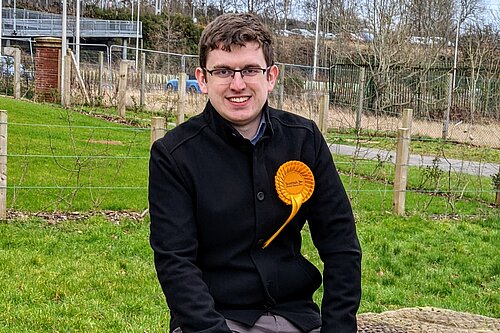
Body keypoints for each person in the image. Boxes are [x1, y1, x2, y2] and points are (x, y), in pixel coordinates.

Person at [149, 13, 361, 333]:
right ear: (202, 79)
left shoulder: (305, 140)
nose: (238, 84)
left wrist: (338, 328)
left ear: (271, 76)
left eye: (250, 70)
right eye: (222, 71)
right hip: (215, 320)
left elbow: (341, 243)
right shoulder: (174, 156)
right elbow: (175, 263)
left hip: (296, 317)